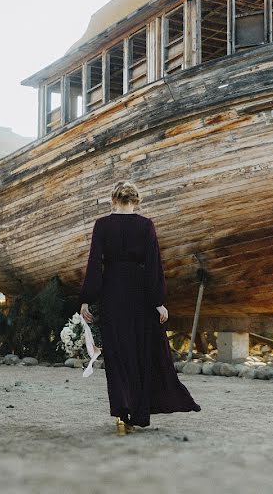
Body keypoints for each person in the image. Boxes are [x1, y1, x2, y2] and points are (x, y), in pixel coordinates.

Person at [79, 180, 201, 435]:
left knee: (117, 355)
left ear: (113, 200)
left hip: (112, 293)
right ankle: (138, 414)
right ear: (136, 201)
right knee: (140, 354)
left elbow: (94, 264)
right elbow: (154, 265)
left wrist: (87, 298)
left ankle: (122, 416)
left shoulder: (102, 225)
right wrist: (158, 302)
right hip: (140, 296)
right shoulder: (146, 225)